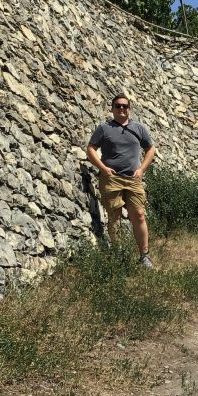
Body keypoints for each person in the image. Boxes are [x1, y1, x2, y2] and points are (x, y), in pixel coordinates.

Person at [86, 94, 156, 268]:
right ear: (112, 108)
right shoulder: (104, 128)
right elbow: (91, 148)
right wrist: (103, 168)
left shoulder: (139, 128)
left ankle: (144, 256)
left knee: (139, 215)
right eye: (117, 106)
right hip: (111, 179)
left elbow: (150, 149)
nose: (121, 109)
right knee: (114, 217)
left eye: (125, 106)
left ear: (129, 109)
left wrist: (141, 169)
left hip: (133, 179)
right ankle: (119, 256)